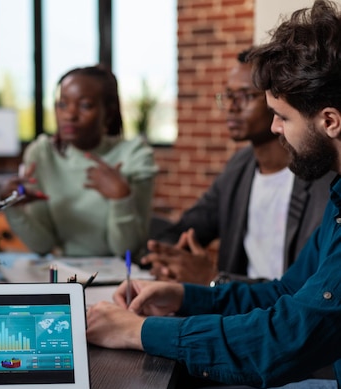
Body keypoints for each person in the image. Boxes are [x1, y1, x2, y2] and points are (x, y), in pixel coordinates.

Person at [86, 2, 341, 389]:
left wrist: (139, 332)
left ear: (330, 121)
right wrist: (185, 296)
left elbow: (281, 339)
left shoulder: (321, 184)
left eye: (282, 116)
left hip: (321, 375)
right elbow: (287, 291)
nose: (277, 129)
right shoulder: (335, 197)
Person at [141, 49, 334, 286]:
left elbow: (301, 291)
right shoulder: (239, 166)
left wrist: (213, 280)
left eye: (245, 96)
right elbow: (188, 228)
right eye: (229, 96)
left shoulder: (323, 176)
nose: (232, 107)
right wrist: (168, 257)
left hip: (278, 313)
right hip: (241, 309)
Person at [0, 65, 157, 258]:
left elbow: (126, 251)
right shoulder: (42, 154)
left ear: (108, 112)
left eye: (85, 106)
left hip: (118, 279)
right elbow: (42, 245)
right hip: (65, 275)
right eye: (62, 104)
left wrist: (121, 197)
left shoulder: (135, 155)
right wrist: (11, 208)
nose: (69, 115)